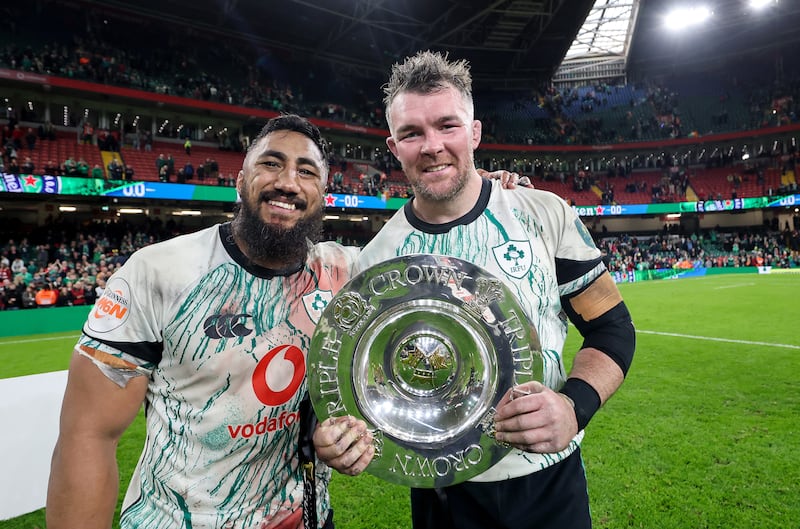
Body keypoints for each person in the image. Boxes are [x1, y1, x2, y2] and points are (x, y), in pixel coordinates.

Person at [313, 51, 636, 529]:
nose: (432, 146)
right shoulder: (378, 260)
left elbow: (611, 328)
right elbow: (366, 391)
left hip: (547, 482)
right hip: (442, 493)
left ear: (475, 132)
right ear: (393, 146)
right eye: (412, 133)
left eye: (448, 126)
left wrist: (574, 406)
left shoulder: (545, 214)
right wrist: (344, 442)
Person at [46, 114, 360, 529]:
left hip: (305, 518)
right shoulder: (159, 271)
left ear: (323, 194)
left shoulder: (344, 272)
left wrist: (475, 191)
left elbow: (434, 258)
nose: (288, 181)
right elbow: (87, 436)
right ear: (239, 179)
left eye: (307, 171)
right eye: (271, 163)